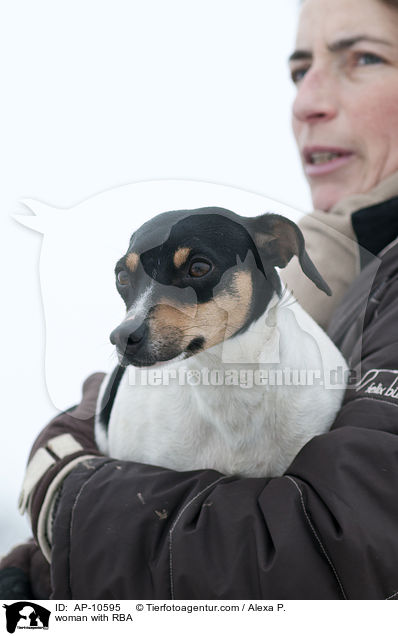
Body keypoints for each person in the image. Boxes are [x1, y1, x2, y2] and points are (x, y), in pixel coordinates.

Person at [2, 0, 398, 599]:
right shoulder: (327, 283)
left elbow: (314, 560)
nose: (305, 102)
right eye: (299, 70)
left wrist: (66, 497)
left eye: (365, 58)